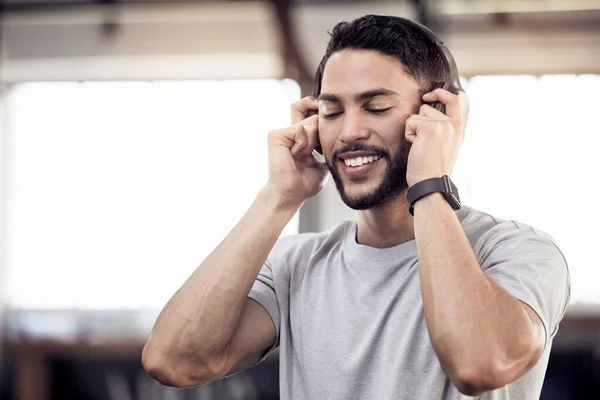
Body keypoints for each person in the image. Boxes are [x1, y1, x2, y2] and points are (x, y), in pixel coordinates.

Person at [142, 14, 571, 399]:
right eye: (331, 111)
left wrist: (430, 182)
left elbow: (478, 365)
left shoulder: (519, 251)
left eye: (376, 106)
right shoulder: (294, 266)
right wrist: (278, 197)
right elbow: (174, 361)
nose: (348, 132)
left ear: (437, 114)